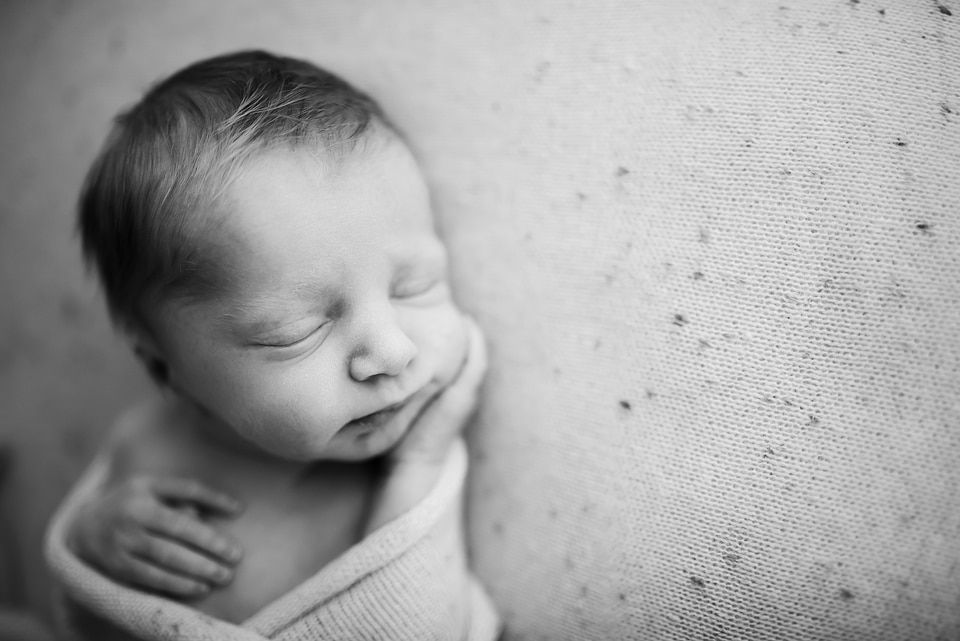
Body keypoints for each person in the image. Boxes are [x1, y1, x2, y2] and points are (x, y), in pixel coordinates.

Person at [47, 50, 497, 638]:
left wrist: (420, 467)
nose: (392, 353)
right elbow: (80, 613)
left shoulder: (399, 466)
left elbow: (426, 625)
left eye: (414, 286)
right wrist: (90, 539)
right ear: (161, 359)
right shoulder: (143, 441)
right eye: (297, 331)